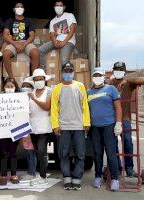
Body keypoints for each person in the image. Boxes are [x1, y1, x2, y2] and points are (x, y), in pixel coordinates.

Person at [51, 62, 90, 190]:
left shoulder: (80, 86)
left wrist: (86, 122)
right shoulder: (57, 88)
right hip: (63, 127)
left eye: (70, 71)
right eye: (66, 71)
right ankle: (67, 178)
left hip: (79, 126)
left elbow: (85, 105)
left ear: (74, 72)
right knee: (64, 154)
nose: (68, 73)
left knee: (80, 154)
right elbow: (54, 108)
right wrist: (55, 125)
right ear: (62, 73)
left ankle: (77, 178)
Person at [109, 61, 144, 177]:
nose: (118, 71)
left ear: (124, 71)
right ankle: (118, 168)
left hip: (125, 118)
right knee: (112, 144)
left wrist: (127, 80)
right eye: (116, 69)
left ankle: (129, 168)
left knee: (127, 141)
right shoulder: (109, 84)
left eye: (121, 69)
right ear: (113, 70)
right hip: (111, 118)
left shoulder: (129, 83)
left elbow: (143, 80)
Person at [87, 67, 122, 191]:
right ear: (92, 77)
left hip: (109, 126)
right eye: (95, 75)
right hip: (95, 127)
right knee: (97, 153)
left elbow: (118, 107)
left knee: (111, 153)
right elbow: (86, 111)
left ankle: (115, 179)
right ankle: (97, 177)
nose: (97, 77)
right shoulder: (88, 92)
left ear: (103, 77)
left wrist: (118, 123)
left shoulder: (111, 89)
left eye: (99, 75)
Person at [24, 69, 52, 186]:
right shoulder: (31, 92)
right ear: (33, 81)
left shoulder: (49, 91)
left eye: (41, 79)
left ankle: (43, 176)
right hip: (33, 127)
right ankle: (39, 175)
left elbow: (47, 106)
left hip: (45, 127)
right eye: (37, 79)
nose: (39, 81)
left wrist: (34, 99)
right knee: (36, 151)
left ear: (45, 80)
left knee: (42, 151)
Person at [3, 1, 39, 78]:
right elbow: (5, 35)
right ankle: (11, 78)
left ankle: (34, 78)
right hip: (13, 42)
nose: (19, 8)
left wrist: (24, 45)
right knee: (5, 54)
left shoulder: (28, 21)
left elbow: (32, 36)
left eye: (21, 7)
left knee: (35, 53)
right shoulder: (9, 21)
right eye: (17, 7)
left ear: (24, 9)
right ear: (14, 9)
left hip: (26, 42)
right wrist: (15, 45)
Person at [39, 0, 77, 70]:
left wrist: (64, 42)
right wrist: (54, 41)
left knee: (63, 60)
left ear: (64, 7)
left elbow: (72, 30)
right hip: (57, 41)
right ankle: (42, 72)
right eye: (57, 6)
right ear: (54, 7)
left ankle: (68, 77)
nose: (59, 7)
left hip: (68, 41)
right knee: (41, 50)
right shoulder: (53, 21)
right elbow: (51, 34)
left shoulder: (69, 15)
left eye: (60, 5)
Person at [0, 78, 21, 185]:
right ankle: (3, 175)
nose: (10, 88)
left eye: (12, 87)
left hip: (15, 130)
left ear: (15, 88)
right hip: (2, 130)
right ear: (4, 87)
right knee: (3, 152)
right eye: (7, 86)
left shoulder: (20, 98)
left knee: (13, 152)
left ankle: (13, 174)